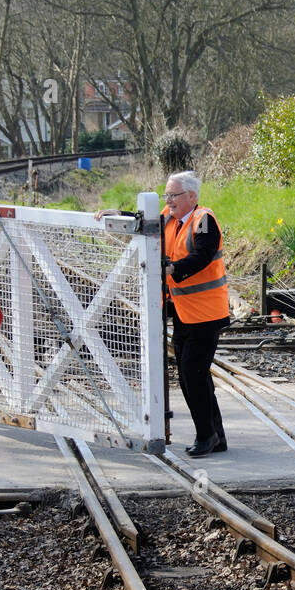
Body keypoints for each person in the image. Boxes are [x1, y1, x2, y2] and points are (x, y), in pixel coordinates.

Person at [98, 172, 229, 457]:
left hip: (206, 313)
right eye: (166, 195)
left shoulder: (203, 219)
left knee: (192, 374)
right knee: (193, 375)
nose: (168, 200)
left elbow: (203, 255)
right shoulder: (169, 218)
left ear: (191, 197)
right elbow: (144, 222)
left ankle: (207, 436)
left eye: (173, 195)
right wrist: (118, 215)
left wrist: (172, 269)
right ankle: (215, 436)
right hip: (184, 311)